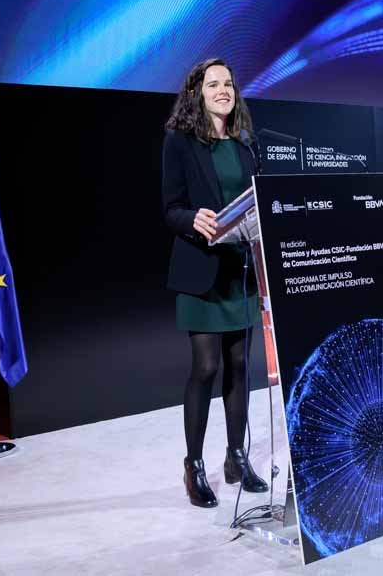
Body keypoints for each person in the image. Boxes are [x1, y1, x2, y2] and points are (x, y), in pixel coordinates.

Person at [162, 57, 269, 508]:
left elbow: (256, 200)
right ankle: (193, 465)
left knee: (240, 367)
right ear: (198, 93)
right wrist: (194, 220)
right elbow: (171, 208)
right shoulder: (181, 142)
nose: (223, 89)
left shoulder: (246, 145)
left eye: (228, 83)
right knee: (206, 368)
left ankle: (235, 457)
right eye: (213, 84)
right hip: (202, 274)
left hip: (240, 270)